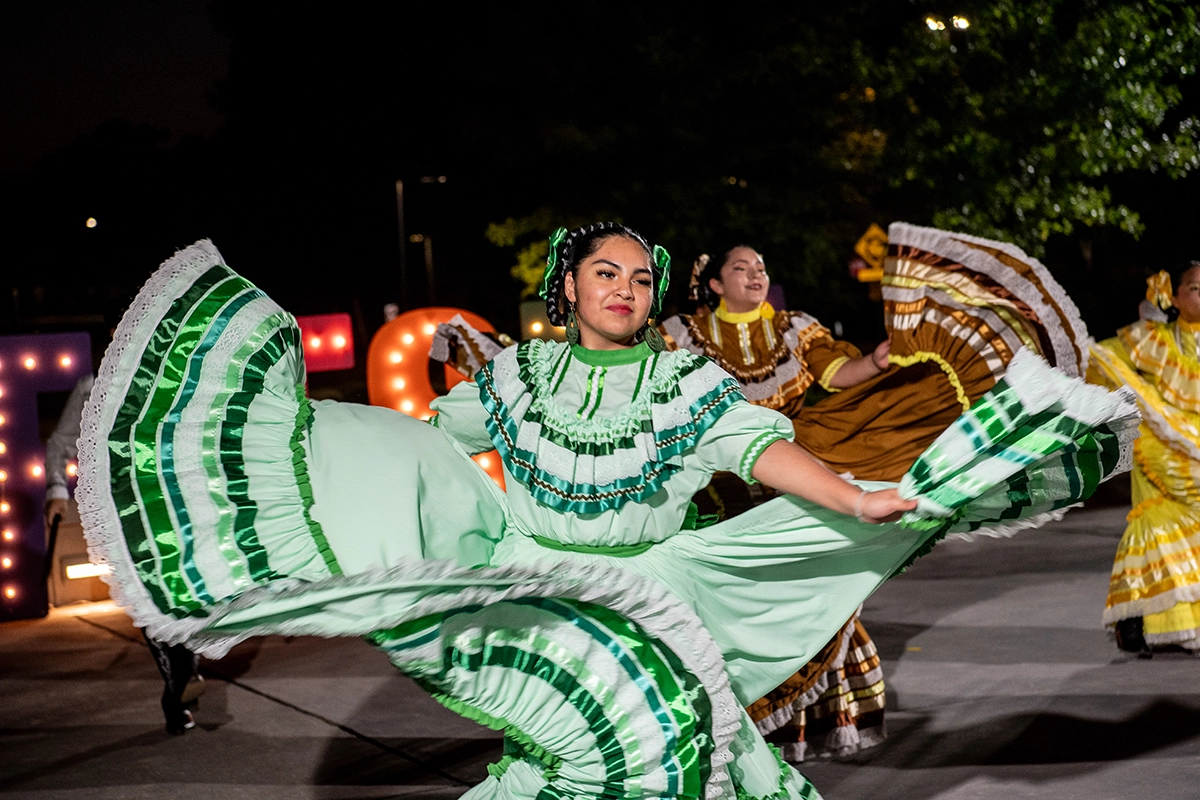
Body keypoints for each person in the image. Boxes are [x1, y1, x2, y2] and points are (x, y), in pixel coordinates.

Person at [77, 225, 1135, 800]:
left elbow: (761, 450)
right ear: (568, 287)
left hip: (659, 588)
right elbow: (432, 442)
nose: (626, 286)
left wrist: (855, 493)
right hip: (533, 585)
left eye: (641, 274)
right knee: (586, 754)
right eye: (605, 272)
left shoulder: (684, 382)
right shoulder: (517, 376)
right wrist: (332, 475)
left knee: (680, 755)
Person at [661, 246, 890, 761]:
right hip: (717, 491)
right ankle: (729, 720)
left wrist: (875, 359)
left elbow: (834, 373)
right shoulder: (678, 335)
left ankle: (800, 726)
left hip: (791, 480)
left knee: (815, 592)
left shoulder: (795, 329)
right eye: (741, 268)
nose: (755, 275)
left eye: (762, 267)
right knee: (732, 607)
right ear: (715, 284)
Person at [1090, 263, 1200, 653]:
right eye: (1195, 288)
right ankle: (1136, 617)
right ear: (1175, 297)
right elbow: (1104, 360)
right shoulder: (1153, 339)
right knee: (1152, 525)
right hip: (1159, 453)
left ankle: (1169, 621)